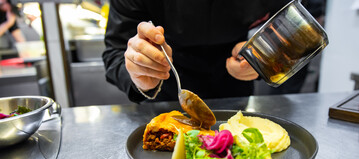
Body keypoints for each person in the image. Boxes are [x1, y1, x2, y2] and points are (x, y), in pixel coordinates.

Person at [103, 0, 305, 103]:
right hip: (167, 84)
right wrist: (139, 72)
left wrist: (262, 56)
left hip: (236, 89)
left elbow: (292, 34)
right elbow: (115, 52)